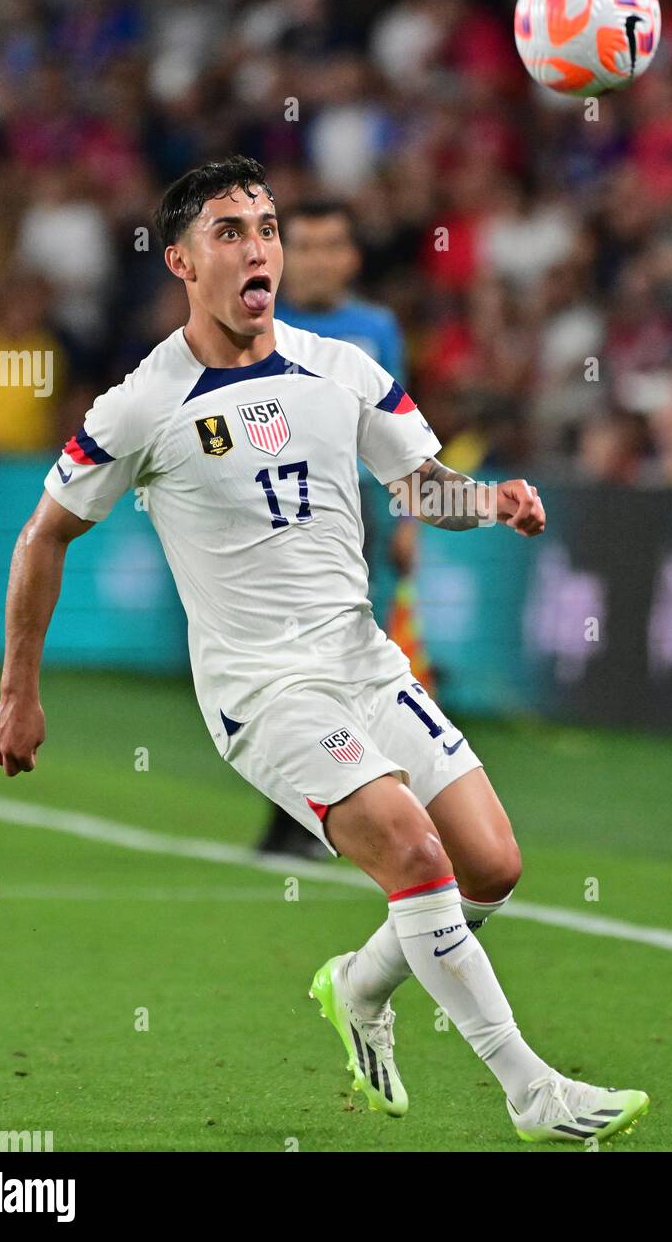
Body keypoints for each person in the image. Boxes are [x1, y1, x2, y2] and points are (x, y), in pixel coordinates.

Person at [0, 156, 649, 1144]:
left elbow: (421, 485)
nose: (258, 247)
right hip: (262, 690)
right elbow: (43, 533)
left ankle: (356, 983)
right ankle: (531, 1090)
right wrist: (18, 691)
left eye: (267, 226)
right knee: (414, 853)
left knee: (490, 866)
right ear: (180, 259)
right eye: (229, 230)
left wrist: (490, 502)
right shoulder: (141, 404)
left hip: (362, 661)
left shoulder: (341, 367)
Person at [255, 197, 416, 860]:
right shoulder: (260, 322)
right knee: (281, 667)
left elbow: (400, 428)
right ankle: (296, 814)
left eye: (331, 246)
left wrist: (409, 516)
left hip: (358, 511)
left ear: (351, 256)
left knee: (346, 663)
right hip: (277, 509)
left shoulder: (376, 328)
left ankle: (322, 820)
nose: (319, 260)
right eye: (306, 246)